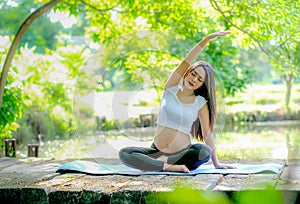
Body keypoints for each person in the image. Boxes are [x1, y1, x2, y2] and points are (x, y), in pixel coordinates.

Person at [119, 31, 236, 173]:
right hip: (156, 152)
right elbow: (186, 61)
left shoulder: (200, 102)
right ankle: (167, 166)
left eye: (200, 80)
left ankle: (160, 164)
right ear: (187, 73)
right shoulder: (170, 88)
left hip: (182, 155)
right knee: (124, 153)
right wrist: (206, 40)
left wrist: (216, 163)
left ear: (202, 85)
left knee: (203, 151)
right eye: (193, 74)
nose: (194, 80)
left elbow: (207, 134)